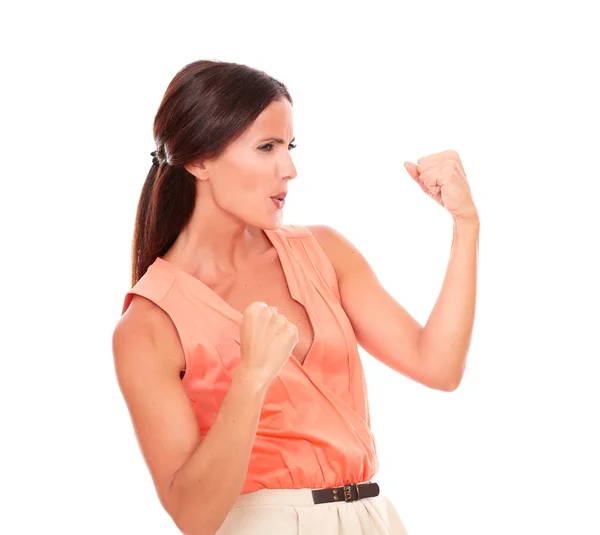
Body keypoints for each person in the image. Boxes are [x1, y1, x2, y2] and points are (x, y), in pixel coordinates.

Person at [112, 59, 479, 535]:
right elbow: (194, 516)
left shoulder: (323, 251)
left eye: (289, 146)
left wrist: (466, 225)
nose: (289, 169)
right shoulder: (149, 324)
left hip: (372, 517)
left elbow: (439, 366)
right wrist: (250, 379)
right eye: (266, 147)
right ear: (199, 160)